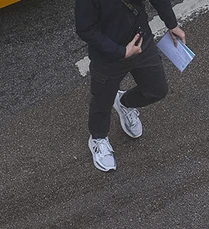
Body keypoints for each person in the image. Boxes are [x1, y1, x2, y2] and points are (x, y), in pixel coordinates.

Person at [75, 0, 187, 172]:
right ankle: (98, 138)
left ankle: (124, 103)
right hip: (108, 59)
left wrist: (172, 24)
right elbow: (85, 28)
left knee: (157, 90)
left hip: (142, 42)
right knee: (102, 103)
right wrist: (121, 52)